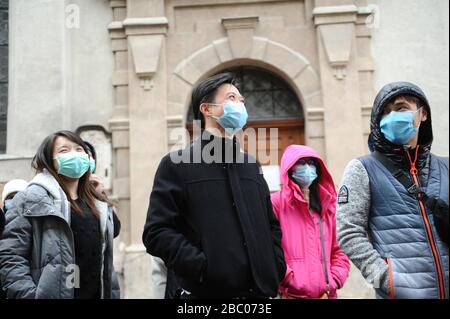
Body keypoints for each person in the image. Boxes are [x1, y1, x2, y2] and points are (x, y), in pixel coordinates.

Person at [142, 72, 286, 299]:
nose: (239, 105)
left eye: (241, 100)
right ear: (206, 109)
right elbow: (156, 232)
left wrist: (275, 264)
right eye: (231, 98)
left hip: (257, 295)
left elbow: (271, 225)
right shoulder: (177, 164)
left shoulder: (251, 166)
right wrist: (202, 267)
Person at [337, 82, 449, 299]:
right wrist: (388, 280)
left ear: (422, 113)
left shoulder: (446, 168)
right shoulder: (363, 169)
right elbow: (348, 232)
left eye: (400, 108)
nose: (392, 116)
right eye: (385, 113)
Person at [0, 130, 121, 299]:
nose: (74, 154)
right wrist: (29, 295)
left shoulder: (95, 202)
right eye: (64, 150)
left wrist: (100, 195)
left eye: (79, 150)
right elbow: (11, 256)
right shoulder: (30, 198)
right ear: (50, 161)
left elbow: (113, 234)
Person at [271, 145, 350, 299]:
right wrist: (288, 278)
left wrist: (334, 279)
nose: (307, 167)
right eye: (301, 162)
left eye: (311, 163)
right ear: (290, 167)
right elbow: (268, 248)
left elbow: (340, 249)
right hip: (290, 295)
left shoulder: (328, 204)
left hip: (326, 295)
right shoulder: (276, 204)